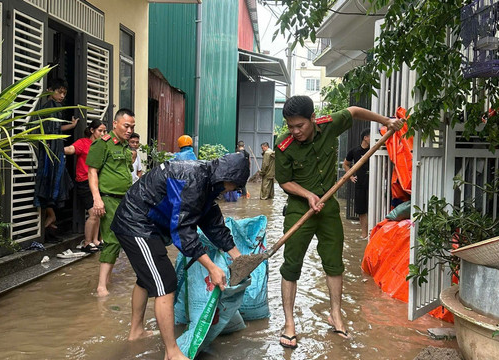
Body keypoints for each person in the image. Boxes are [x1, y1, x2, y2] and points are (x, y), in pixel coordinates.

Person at [274, 95, 403, 348]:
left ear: (313, 119)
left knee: (334, 263)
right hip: (300, 208)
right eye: (291, 126)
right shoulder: (284, 145)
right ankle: (289, 323)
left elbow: (354, 111)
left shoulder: (329, 124)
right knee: (291, 265)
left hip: (329, 204)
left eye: (300, 125)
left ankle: (336, 314)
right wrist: (308, 195)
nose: (295, 131)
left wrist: (386, 121)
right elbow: (284, 181)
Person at [110, 153, 249, 358]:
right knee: (166, 284)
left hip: (148, 225)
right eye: (235, 186)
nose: (234, 190)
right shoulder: (193, 180)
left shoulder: (209, 183)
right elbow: (183, 232)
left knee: (147, 278)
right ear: (228, 178)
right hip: (136, 223)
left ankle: (136, 332)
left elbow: (213, 224)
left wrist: (238, 257)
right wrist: (212, 267)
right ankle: (172, 352)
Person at [86, 108, 135, 297]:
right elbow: (92, 172)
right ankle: (101, 287)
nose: (129, 130)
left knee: (119, 238)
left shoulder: (124, 147)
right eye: (126, 126)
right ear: (115, 124)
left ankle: (106, 280)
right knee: (113, 238)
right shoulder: (102, 144)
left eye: (132, 127)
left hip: (124, 200)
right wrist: (97, 199)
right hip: (108, 198)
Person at [33, 77, 78, 238]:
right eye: (59, 92)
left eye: (64, 93)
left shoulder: (56, 108)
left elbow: (57, 129)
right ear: (50, 90)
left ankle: (50, 223)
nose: (62, 96)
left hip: (56, 151)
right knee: (50, 183)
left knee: (55, 183)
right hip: (50, 152)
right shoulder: (47, 107)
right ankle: (49, 220)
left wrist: (72, 126)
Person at [64, 120, 107, 252]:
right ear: (92, 130)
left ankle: (95, 240)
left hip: (98, 181)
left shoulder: (103, 145)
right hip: (84, 181)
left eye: (104, 131)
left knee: (99, 213)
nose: (103, 133)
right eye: (100, 130)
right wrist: (56, 148)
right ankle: (87, 242)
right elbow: (71, 149)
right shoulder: (83, 142)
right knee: (93, 213)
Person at [343, 128, 370, 239]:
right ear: (365, 137)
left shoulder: (375, 150)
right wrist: (350, 176)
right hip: (360, 184)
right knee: (361, 210)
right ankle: (364, 234)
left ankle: (373, 233)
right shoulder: (354, 151)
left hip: (373, 183)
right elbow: (345, 164)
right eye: (370, 136)